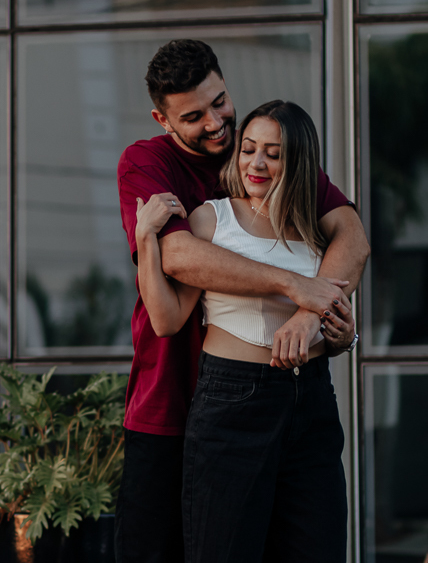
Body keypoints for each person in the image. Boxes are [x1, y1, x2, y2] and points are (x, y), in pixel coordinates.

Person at [114, 39, 369, 563]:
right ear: (163, 120)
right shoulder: (148, 163)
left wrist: (318, 320)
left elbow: (352, 238)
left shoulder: (262, 150)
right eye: (193, 116)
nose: (215, 123)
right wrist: (298, 287)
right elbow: (179, 257)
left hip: (301, 397)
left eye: (220, 101)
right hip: (177, 394)